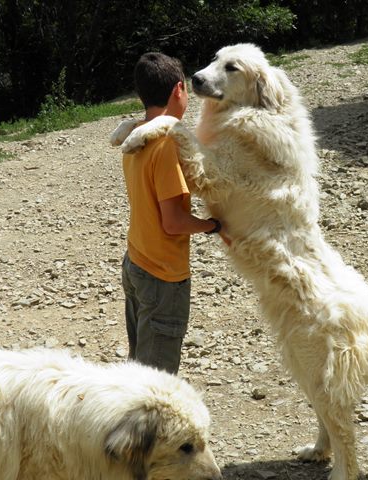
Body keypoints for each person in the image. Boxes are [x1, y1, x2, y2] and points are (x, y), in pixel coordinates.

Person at [120, 52, 225, 375]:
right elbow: (173, 221)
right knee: (155, 380)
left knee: (138, 364)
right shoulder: (166, 144)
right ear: (179, 90)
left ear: (141, 95)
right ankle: (145, 428)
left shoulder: (135, 135)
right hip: (163, 276)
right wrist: (215, 226)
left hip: (136, 261)